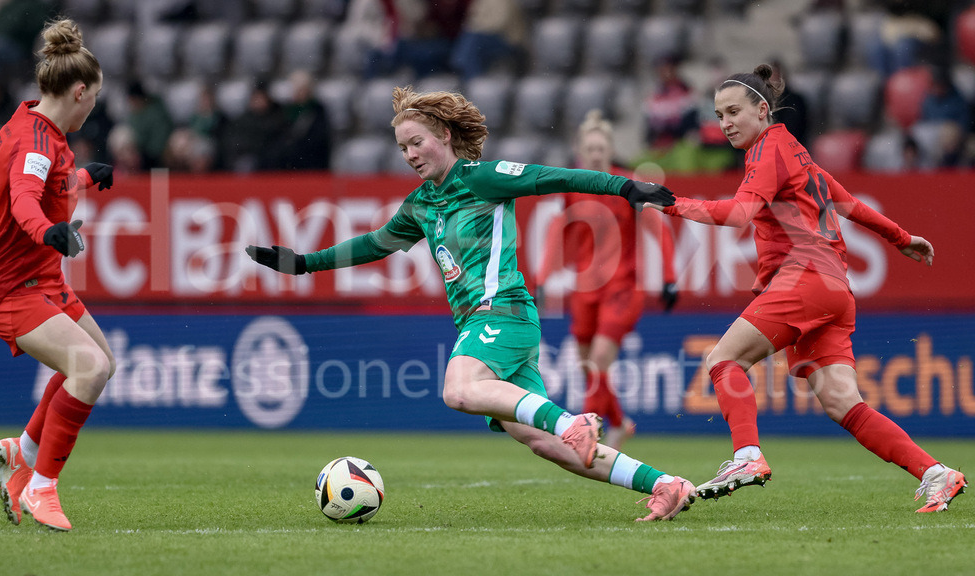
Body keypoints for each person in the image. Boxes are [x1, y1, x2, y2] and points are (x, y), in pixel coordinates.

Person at [246, 86, 696, 521]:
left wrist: (624, 187)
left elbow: (557, 176)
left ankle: (571, 422)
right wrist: (304, 263)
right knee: (545, 445)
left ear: (444, 135)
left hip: (503, 311)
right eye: (403, 148)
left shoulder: (482, 177)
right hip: (482, 325)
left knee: (458, 389)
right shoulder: (421, 204)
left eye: (416, 142)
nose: (410, 155)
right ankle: (665, 485)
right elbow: (374, 244)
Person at [645, 64, 966, 513]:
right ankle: (936, 473)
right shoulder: (796, 153)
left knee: (723, 359)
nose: (726, 123)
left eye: (734, 111)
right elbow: (849, 203)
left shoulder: (767, 151)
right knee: (842, 403)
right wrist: (902, 237)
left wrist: (676, 204)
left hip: (805, 279)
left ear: (763, 109)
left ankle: (746, 457)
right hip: (834, 287)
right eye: (719, 115)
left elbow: (739, 214)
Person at [0, 18, 116, 532]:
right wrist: (48, 233)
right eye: (93, 98)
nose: (93, 106)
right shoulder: (36, 141)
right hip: (8, 286)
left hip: (39, 278)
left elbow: (42, 181)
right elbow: (27, 202)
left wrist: (82, 178)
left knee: (101, 363)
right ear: (78, 91)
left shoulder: (34, 124)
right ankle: (39, 487)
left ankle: (21, 452)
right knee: (89, 369)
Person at [536, 109, 679, 449]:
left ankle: (584, 435)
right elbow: (558, 233)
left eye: (602, 148)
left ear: (610, 149)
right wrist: (542, 279)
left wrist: (670, 278)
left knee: (599, 358)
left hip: (623, 286)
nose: (597, 153)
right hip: (585, 290)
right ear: (580, 151)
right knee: (589, 364)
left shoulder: (627, 185)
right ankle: (620, 422)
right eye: (591, 148)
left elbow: (657, 228)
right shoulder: (572, 187)